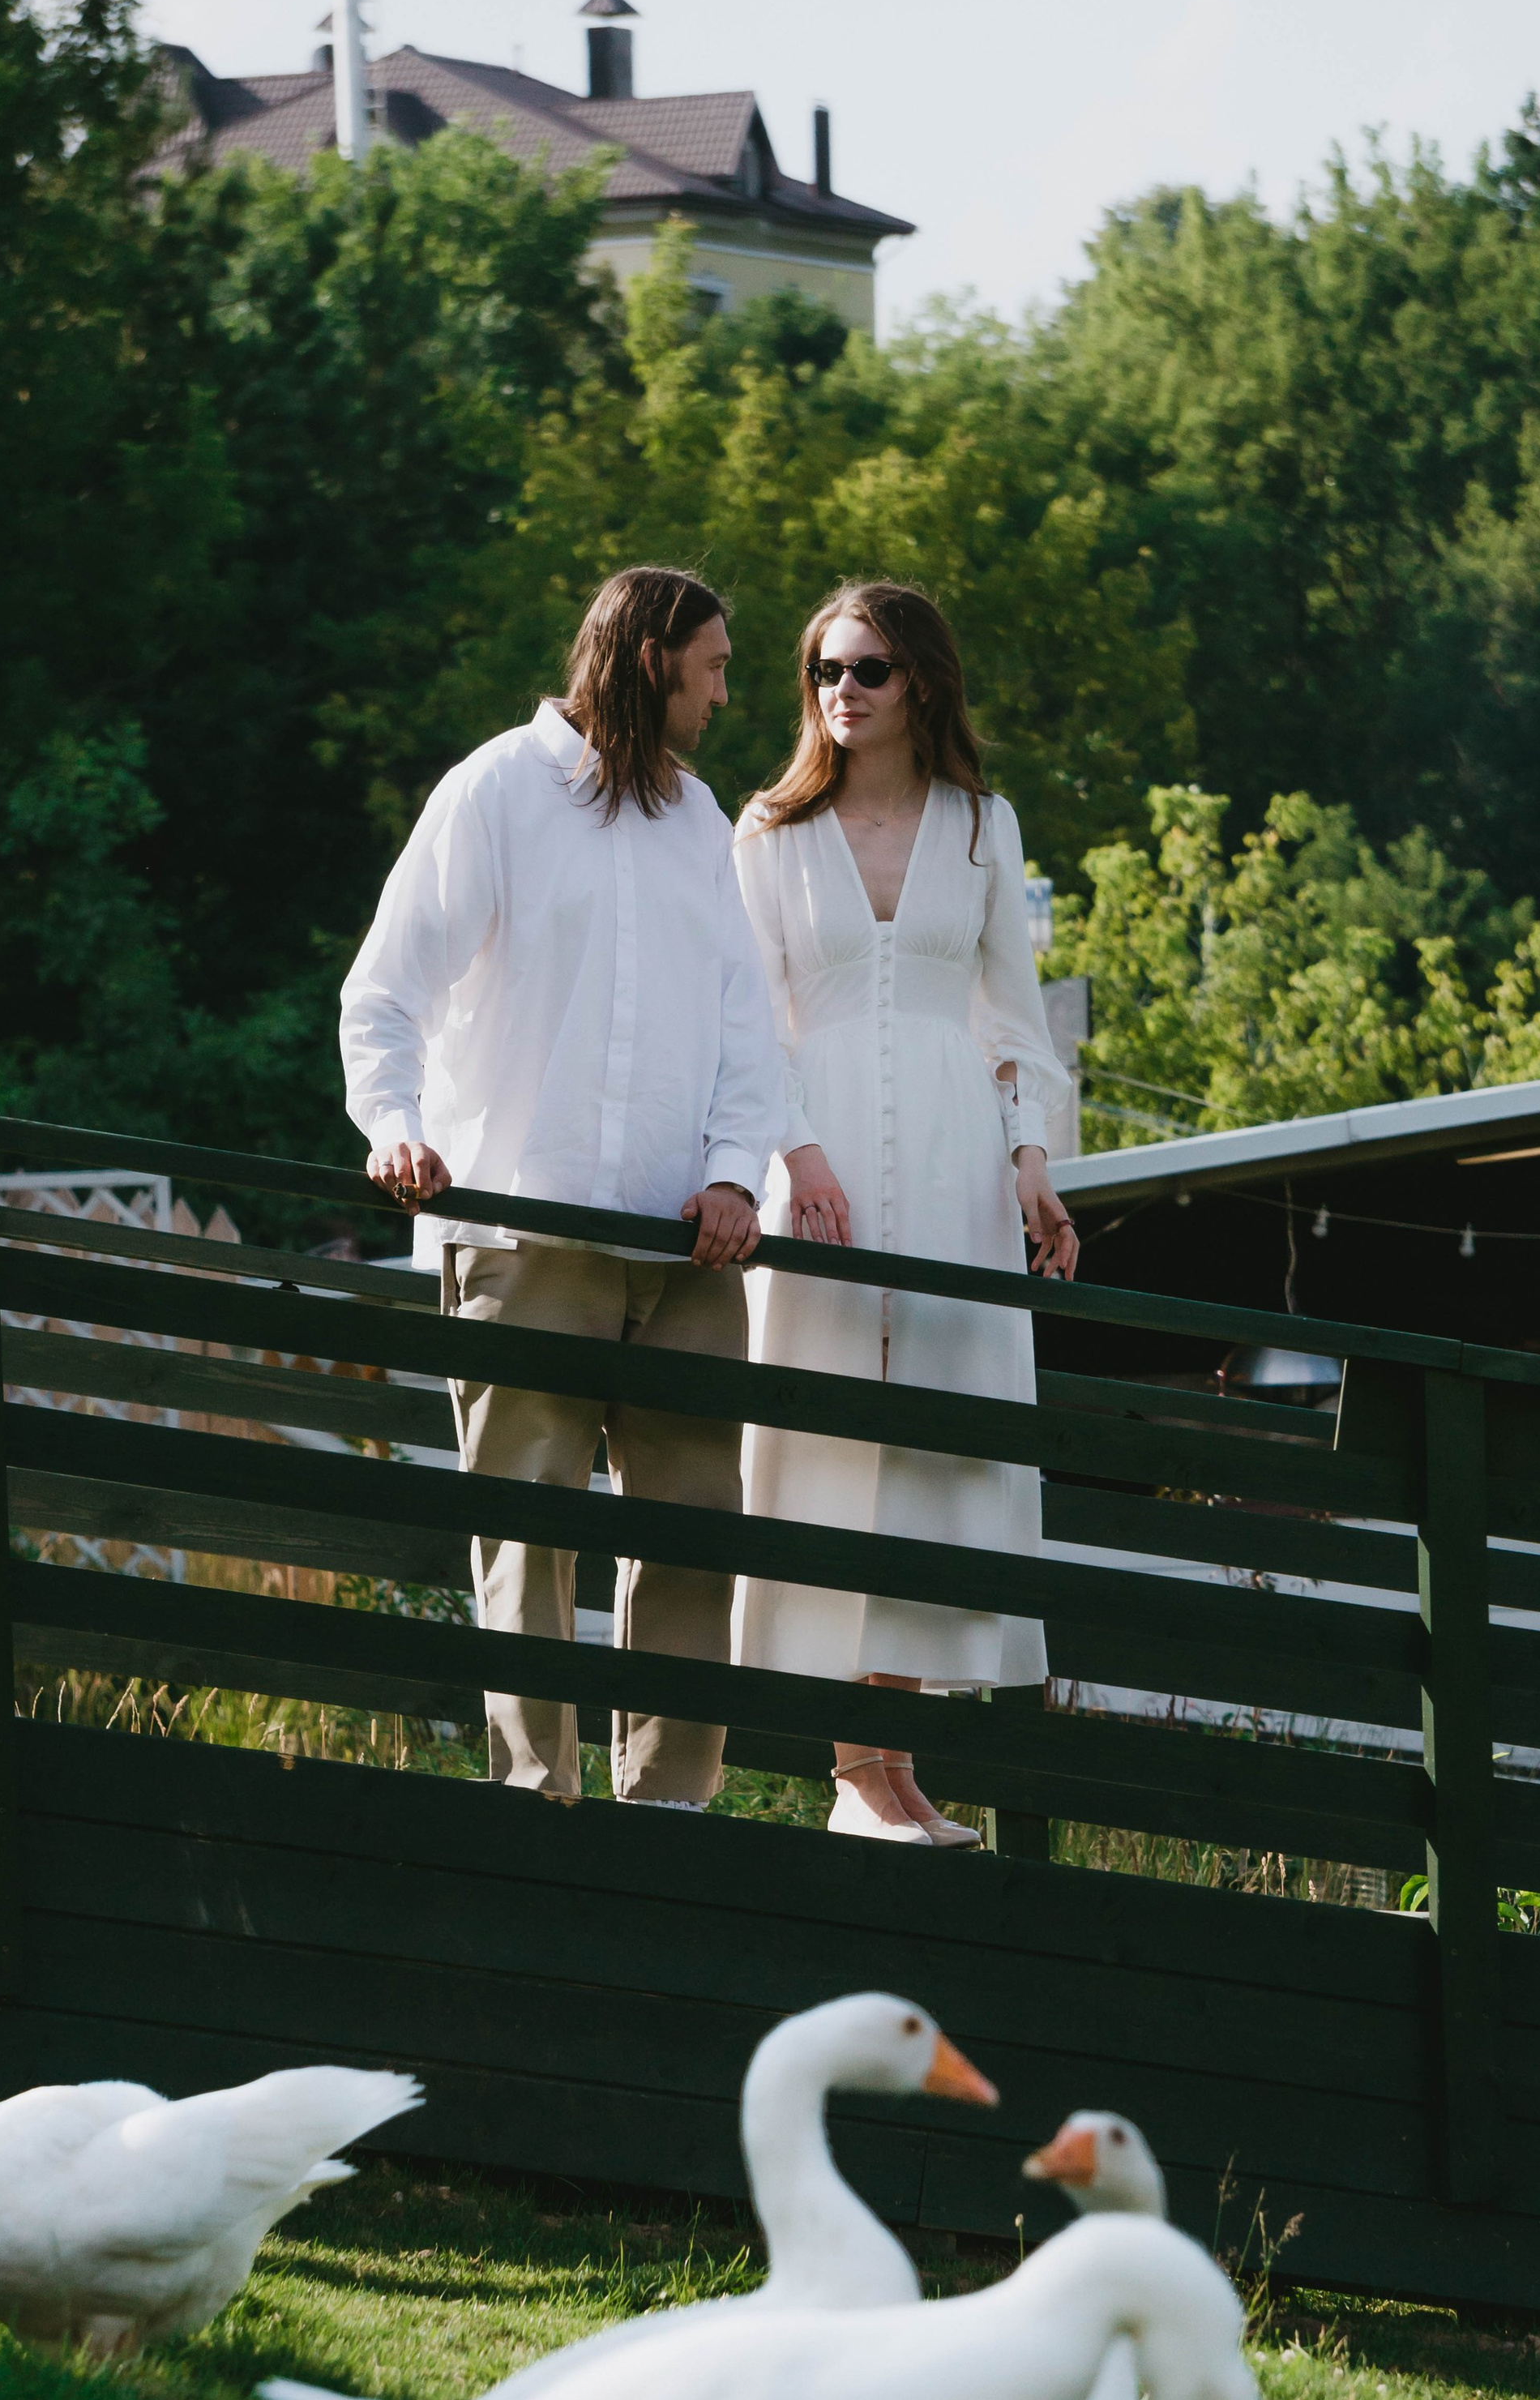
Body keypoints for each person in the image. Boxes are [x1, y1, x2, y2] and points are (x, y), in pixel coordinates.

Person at [340, 566, 785, 1811]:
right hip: (525, 1233)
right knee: (526, 1536)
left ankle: (671, 1811)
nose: (725, 694)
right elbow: (386, 992)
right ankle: (538, 1805)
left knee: (697, 1533)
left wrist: (735, 1177)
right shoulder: (493, 791)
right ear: (651, 663)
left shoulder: (703, 822)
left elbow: (748, 1034)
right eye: (713, 668)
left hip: (691, 1254)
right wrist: (395, 1126)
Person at [730, 579, 1079, 1845]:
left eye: (866, 668)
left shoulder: (986, 827)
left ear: (920, 678)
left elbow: (1014, 1024)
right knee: (828, 1442)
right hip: (809, 1160)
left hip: (952, 1157)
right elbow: (748, 1023)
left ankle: (892, 1760)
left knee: (934, 1436)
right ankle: (853, 1770)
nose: (841, 692)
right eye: (823, 670)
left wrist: (1034, 1161)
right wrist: (798, 1154)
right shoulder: (766, 832)